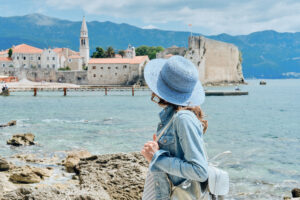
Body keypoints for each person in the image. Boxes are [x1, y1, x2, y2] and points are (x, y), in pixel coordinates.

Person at [141, 56, 209, 199]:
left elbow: (200, 171)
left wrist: (156, 157)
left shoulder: (182, 118)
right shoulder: (172, 116)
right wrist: (159, 149)